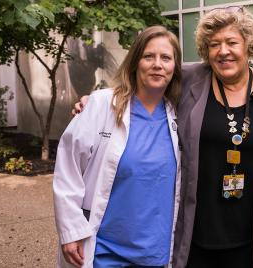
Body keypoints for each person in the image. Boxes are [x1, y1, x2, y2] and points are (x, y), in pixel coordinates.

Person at [72, 7, 253, 268]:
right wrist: (100, 102)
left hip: (249, 236)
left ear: (248, 46)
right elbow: (147, 79)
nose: (223, 51)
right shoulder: (189, 79)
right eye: (214, 44)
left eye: (231, 43)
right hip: (196, 232)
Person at [53, 25, 182, 267]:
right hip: (104, 251)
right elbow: (68, 169)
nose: (157, 64)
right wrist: (71, 230)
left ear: (175, 67)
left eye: (166, 58)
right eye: (148, 56)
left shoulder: (180, 115)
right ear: (135, 62)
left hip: (156, 253)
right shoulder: (101, 105)